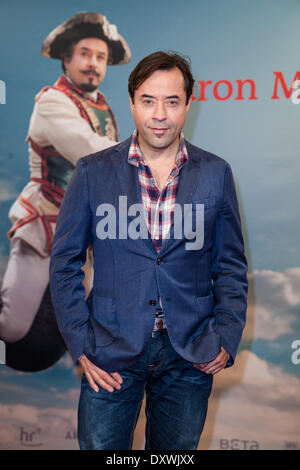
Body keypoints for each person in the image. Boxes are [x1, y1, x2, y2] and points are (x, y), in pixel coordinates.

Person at [49, 51, 248, 450]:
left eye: (172, 101)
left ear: (188, 105)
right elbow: (64, 263)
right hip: (109, 353)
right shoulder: (91, 172)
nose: (160, 114)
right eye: (148, 100)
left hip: (189, 354)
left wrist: (225, 335)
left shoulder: (215, 173)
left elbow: (230, 266)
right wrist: (81, 344)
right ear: (132, 102)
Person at [0, 12, 131, 372]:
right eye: (85, 54)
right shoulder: (52, 102)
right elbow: (91, 151)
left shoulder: (102, 108)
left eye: (101, 57)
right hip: (45, 225)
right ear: (67, 60)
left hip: (81, 235)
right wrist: (151, 155)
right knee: (11, 328)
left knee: (67, 333)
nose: (93, 64)